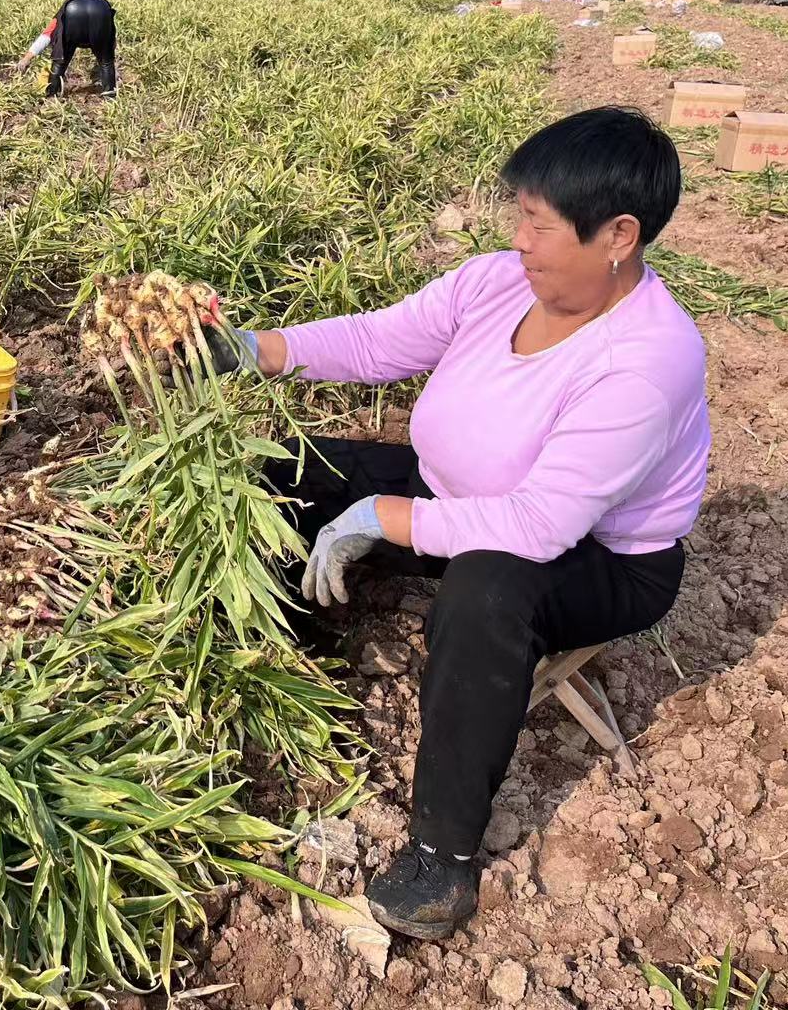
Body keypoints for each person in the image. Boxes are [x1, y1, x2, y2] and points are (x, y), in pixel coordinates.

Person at [201, 106, 709, 939]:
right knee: (278, 470)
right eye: (519, 215)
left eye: (538, 224)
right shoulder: (499, 282)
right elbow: (378, 342)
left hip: (593, 559)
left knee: (485, 591)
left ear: (618, 235)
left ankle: (442, 858)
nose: (518, 238)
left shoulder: (646, 359)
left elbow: (538, 525)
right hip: (454, 495)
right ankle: (284, 636)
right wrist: (255, 349)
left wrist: (384, 516)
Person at [13, 0, 117, 97]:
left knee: (60, 60)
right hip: (101, 9)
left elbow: (46, 35)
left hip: (73, 10)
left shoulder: (61, 15)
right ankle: (110, 95)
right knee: (106, 62)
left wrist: (27, 58)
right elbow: (111, 38)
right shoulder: (103, 10)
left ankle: (52, 94)